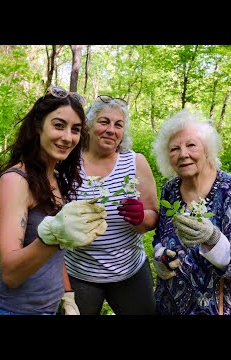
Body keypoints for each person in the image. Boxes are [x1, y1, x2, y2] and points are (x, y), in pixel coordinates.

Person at [0, 86, 108, 315]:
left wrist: (67, 296)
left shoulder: (56, 180)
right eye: (58, 125)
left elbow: (55, 257)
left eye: (76, 129)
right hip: (9, 309)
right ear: (38, 127)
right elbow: (10, 274)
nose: (68, 137)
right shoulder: (15, 181)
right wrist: (55, 236)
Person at [151, 108, 231, 315]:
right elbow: (161, 236)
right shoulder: (170, 189)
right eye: (174, 149)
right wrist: (161, 256)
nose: (183, 154)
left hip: (224, 305)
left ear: (207, 150)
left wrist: (213, 238)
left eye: (191, 145)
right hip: (175, 305)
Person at [64, 94, 158, 315]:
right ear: (88, 125)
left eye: (118, 125)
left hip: (129, 271)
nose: (111, 130)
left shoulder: (135, 162)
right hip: (80, 272)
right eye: (104, 121)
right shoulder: (68, 162)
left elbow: (153, 215)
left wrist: (140, 218)